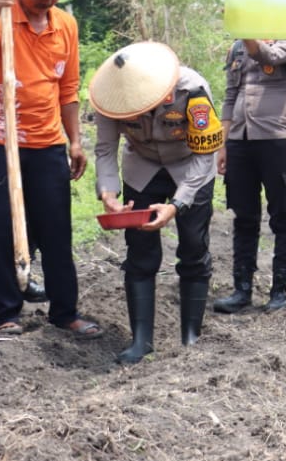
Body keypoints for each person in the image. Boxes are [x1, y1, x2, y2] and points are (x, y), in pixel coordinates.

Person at [0, 0, 100, 337]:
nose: (48, 1)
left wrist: (75, 141)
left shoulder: (65, 26)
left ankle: (64, 313)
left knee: (56, 229)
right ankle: (4, 316)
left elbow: (68, 89)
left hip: (45, 142)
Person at [90, 41, 223, 364]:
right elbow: (106, 148)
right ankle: (140, 341)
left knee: (193, 245)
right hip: (142, 166)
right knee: (140, 251)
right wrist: (108, 191)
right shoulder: (108, 96)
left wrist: (177, 205)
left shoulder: (193, 89)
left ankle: (191, 337)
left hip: (189, 166)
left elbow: (205, 154)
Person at [213, 38, 286, 314]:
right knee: (244, 217)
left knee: (283, 216)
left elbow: (269, 56)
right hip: (240, 140)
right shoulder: (237, 48)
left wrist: (250, 33)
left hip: (275, 139)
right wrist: (223, 144)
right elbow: (230, 96)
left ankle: (280, 291)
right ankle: (242, 290)